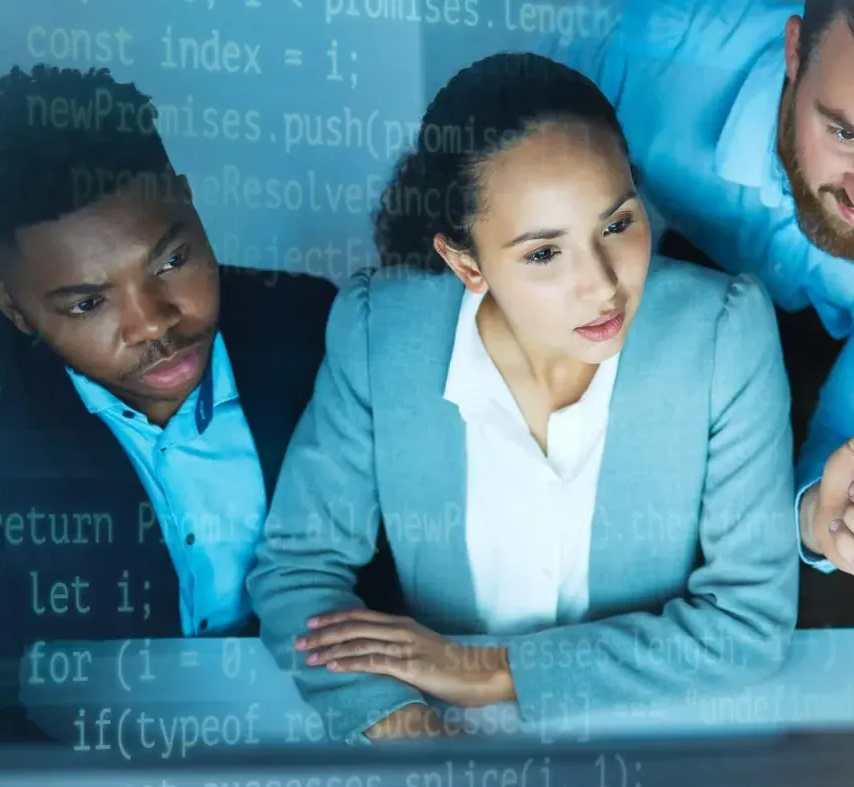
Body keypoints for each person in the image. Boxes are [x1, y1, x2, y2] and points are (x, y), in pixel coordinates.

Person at [247, 52, 800, 743]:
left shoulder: (723, 332)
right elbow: (299, 567)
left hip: (659, 738)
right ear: (465, 262)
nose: (601, 284)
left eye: (618, 223)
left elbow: (749, 623)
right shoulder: (379, 330)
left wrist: (490, 669)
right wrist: (397, 721)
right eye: (544, 253)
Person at [537, 0, 854, 580]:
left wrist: (825, 520)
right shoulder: (631, 51)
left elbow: (850, 447)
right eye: (845, 131)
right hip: (659, 258)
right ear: (794, 50)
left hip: (840, 338)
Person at [0, 65, 359, 738]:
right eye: (87, 302)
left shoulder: (316, 329)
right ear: (10, 304)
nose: (154, 324)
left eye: (170, 261)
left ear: (191, 203)